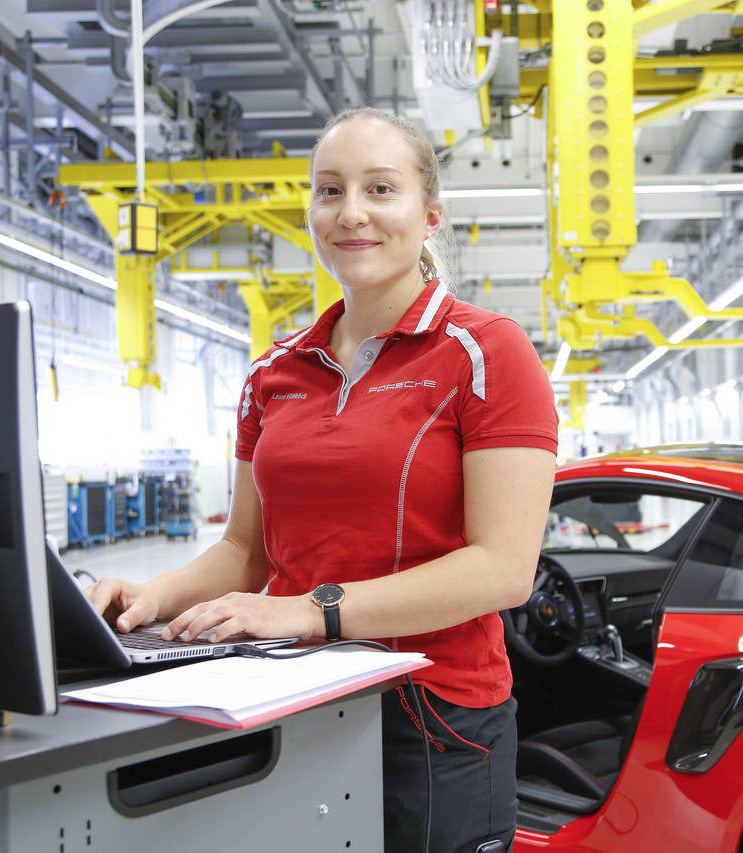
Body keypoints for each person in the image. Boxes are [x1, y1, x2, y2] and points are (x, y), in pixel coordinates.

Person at [88, 106, 559, 853]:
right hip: (294, 699)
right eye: (329, 190)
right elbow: (245, 548)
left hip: (432, 720)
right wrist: (155, 595)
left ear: (429, 214)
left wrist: (313, 609)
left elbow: (503, 569)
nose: (351, 213)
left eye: (380, 189)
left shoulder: (486, 353)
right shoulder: (272, 372)